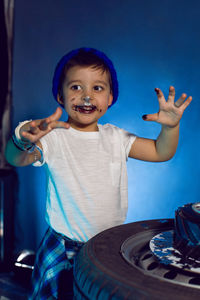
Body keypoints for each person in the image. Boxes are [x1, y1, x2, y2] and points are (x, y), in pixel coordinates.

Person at [5, 47, 192, 299]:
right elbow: (16, 158)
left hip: (107, 246)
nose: (86, 96)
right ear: (59, 96)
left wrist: (171, 127)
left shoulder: (116, 138)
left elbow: (160, 152)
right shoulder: (54, 137)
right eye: (75, 87)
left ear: (110, 97)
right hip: (61, 246)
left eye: (97, 88)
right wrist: (21, 139)